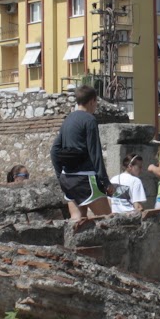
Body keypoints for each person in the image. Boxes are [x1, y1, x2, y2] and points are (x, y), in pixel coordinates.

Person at [50, 85, 112, 220]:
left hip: (68, 179)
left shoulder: (68, 120)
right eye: (96, 103)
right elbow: (95, 154)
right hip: (86, 178)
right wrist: (106, 183)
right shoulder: (89, 120)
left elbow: (54, 150)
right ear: (92, 101)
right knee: (108, 219)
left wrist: (60, 175)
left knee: (77, 219)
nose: (96, 106)